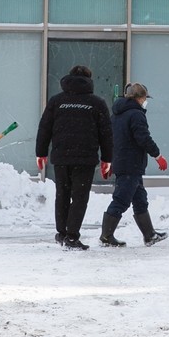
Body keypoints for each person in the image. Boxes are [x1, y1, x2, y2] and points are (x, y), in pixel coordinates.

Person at [35, 65, 112, 251]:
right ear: (89, 80)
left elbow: (44, 128)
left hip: (61, 157)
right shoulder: (97, 103)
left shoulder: (57, 101)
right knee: (79, 197)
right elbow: (106, 133)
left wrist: (41, 152)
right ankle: (72, 236)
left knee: (62, 194)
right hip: (85, 158)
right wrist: (107, 158)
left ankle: (62, 233)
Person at [101, 82, 168, 248]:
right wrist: (157, 155)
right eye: (145, 97)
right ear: (139, 98)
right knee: (121, 200)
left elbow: (110, 138)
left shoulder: (116, 114)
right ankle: (106, 236)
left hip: (125, 162)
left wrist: (109, 160)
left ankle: (149, 235)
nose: (146, 101)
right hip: (130, 164)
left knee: (140, 200)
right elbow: (143, 138)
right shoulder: (136, 115)